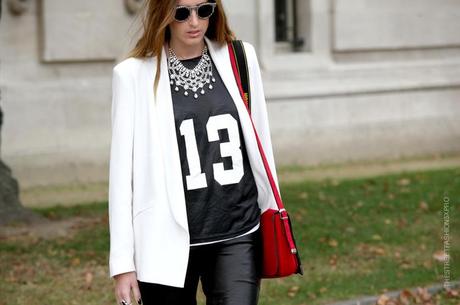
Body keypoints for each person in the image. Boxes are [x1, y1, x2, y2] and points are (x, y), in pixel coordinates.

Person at [108, 0, 282, 304]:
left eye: (204, 10)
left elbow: (261, 140)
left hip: (237, 230)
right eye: (181, 12)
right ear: (163, 14)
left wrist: (272, 210)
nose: (194, 21)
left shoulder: (240, 58)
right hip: (164, 238)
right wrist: (123, 264)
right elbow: (122, 177)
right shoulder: (133, 76)